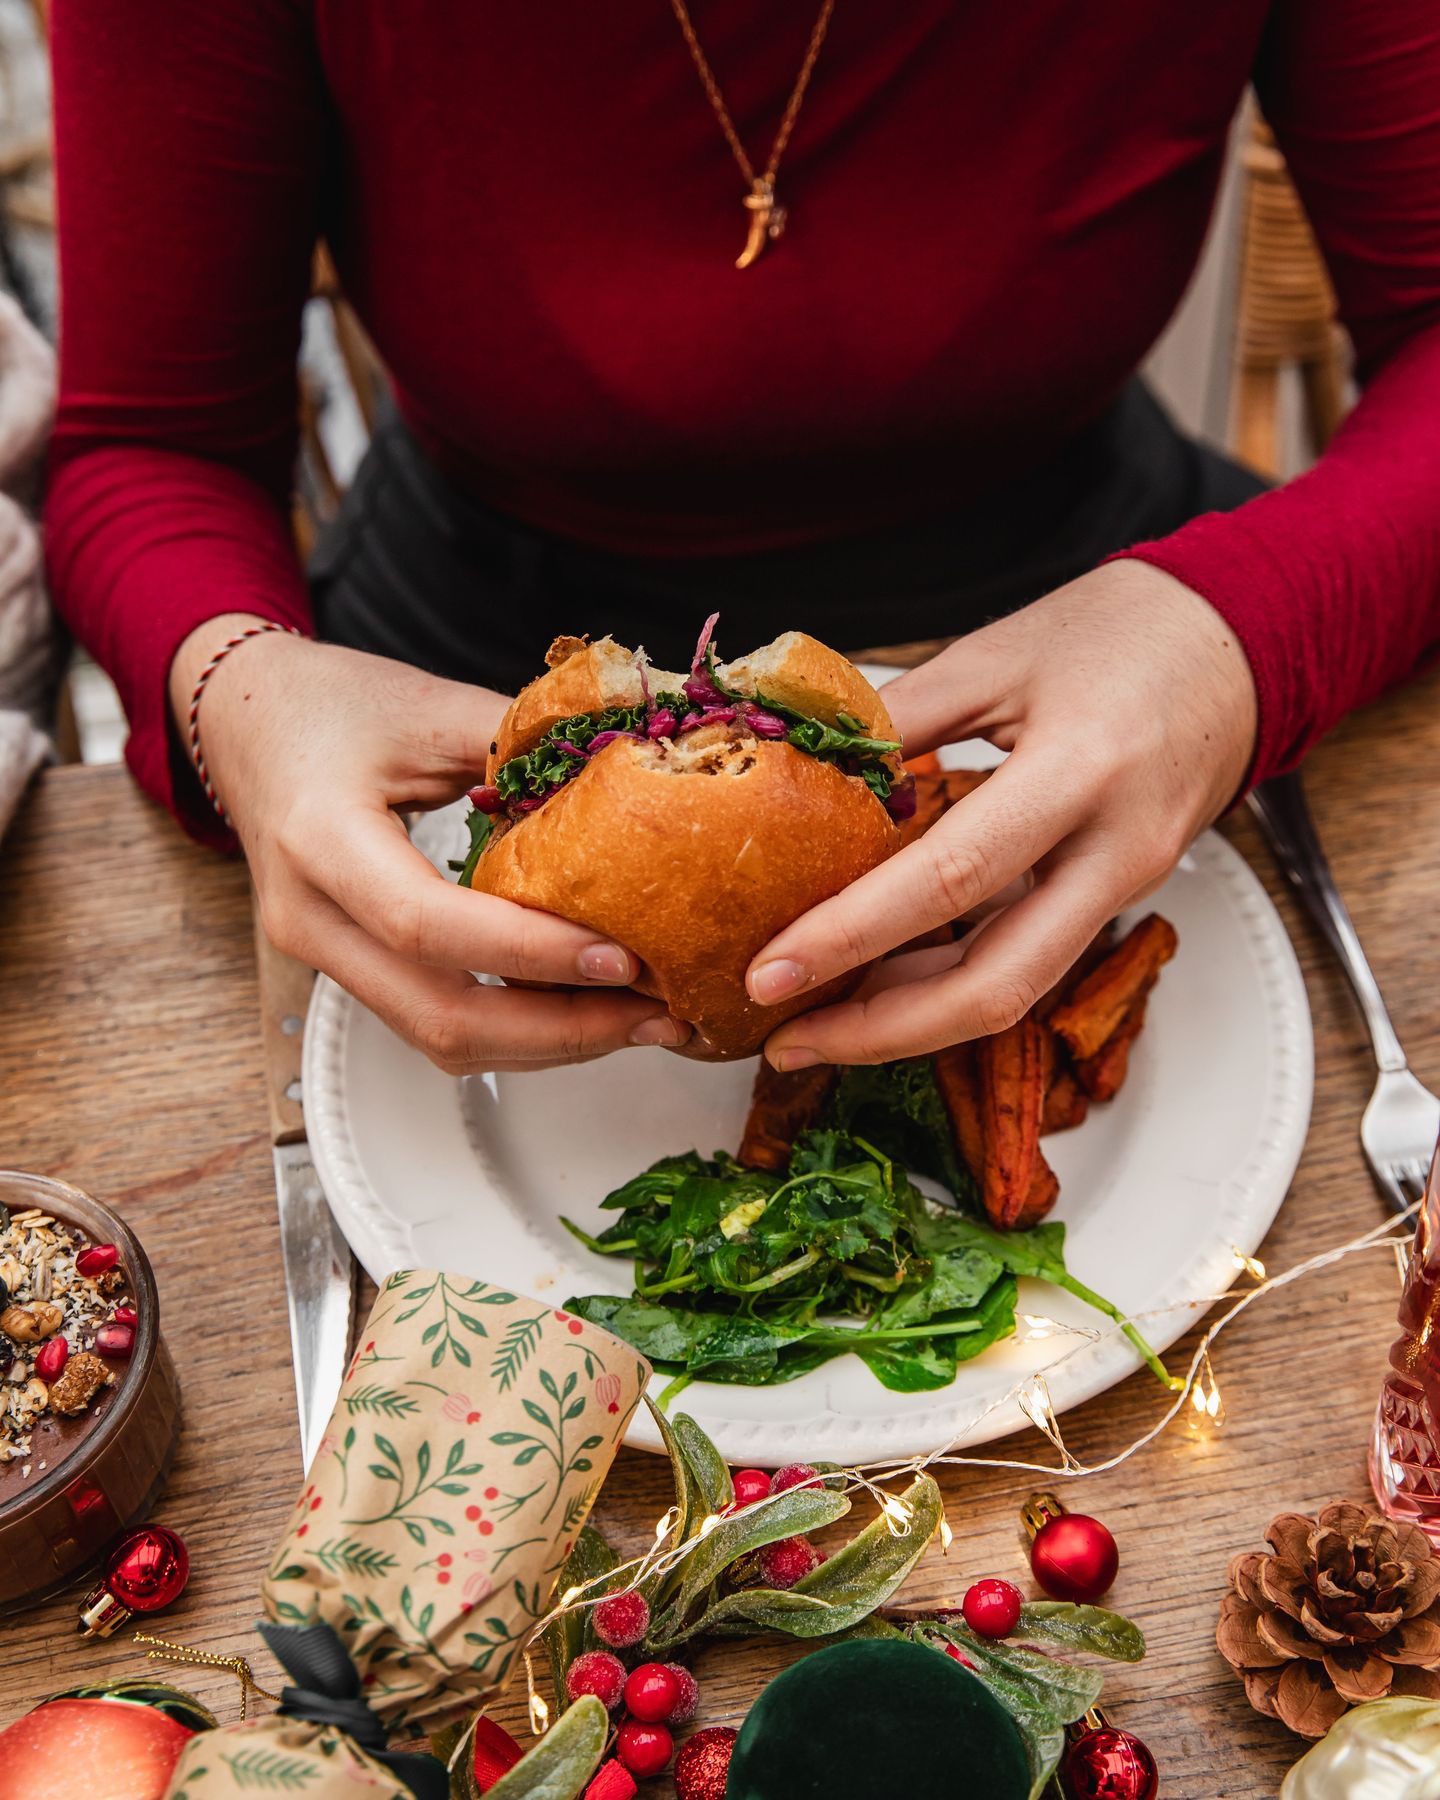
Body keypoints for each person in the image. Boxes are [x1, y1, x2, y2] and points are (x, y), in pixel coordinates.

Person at [44, 1, 1440, 1076]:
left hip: (1120, 634)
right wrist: (236, 687)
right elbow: (148, 448)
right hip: (448, 664)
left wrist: (1247, 629)